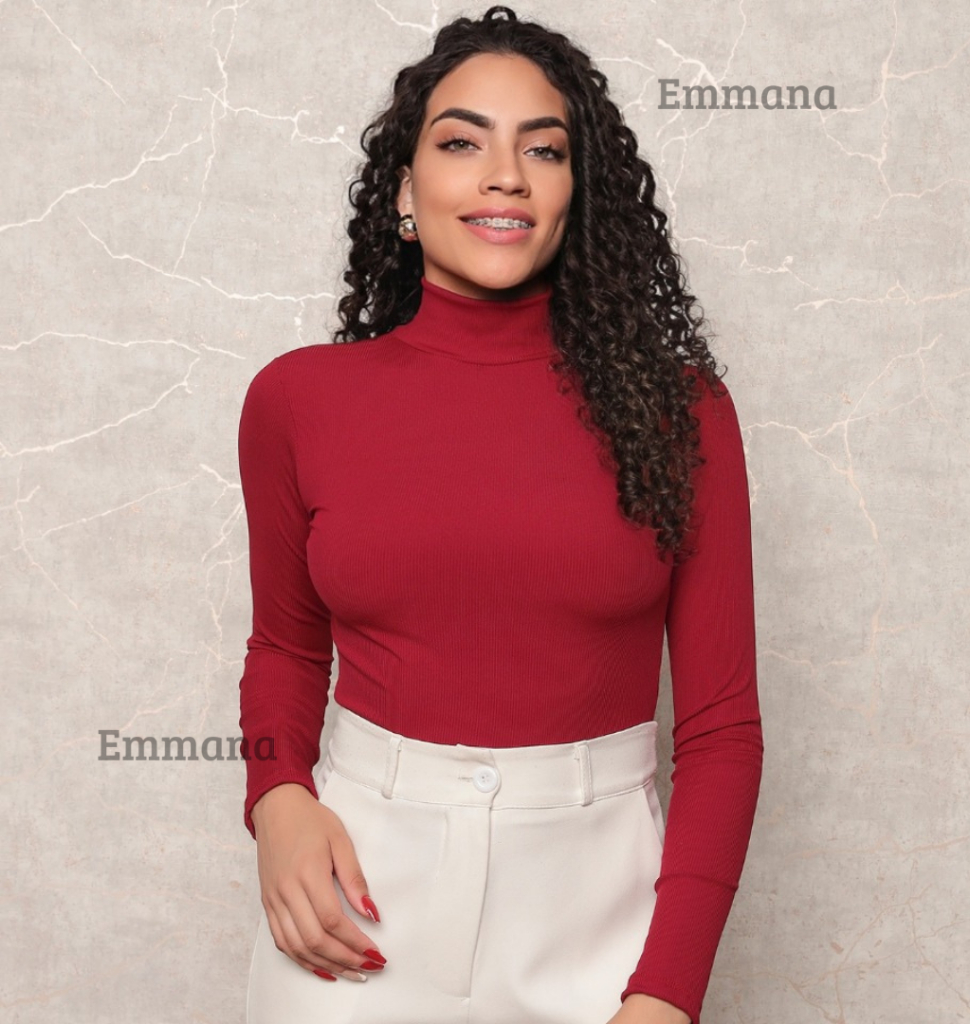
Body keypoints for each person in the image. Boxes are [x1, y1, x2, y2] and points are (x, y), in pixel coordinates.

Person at [236, 7, 763, 1024]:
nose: (505, 176)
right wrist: (279, 799)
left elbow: (721, 730)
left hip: (601, 913)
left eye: (544, 150)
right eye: (461, 143)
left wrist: (667, 993)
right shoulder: (298, 401)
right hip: (356, 905)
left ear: (578, 192)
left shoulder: (680, 410)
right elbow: (285, 649)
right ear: (405, 188)